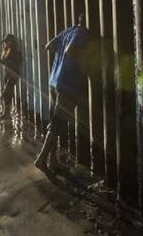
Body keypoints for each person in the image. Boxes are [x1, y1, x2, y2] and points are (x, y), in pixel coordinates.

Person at [35, 13, 90, 173]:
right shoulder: (83, 33)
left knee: (55, 120)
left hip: (54, 81)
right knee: (58, 122)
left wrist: (60, 58)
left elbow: (48, 46)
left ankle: (52, 160)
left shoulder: (68, 31)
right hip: (67, 83)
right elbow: (70, 51)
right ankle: (41, 159)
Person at [0, 34, 22, 119]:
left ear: (11, 42)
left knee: (6, 93)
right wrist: (0, 59)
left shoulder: (16, 52)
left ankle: (6, 113)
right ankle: (6, 113)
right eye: (5, 42)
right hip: (7, 74)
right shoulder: (7, 50)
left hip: (13, 75)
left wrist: (6, 61)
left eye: (7, 41)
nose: (5, 43)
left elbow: (16, 64)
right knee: (7, 94)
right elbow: (5, 63)